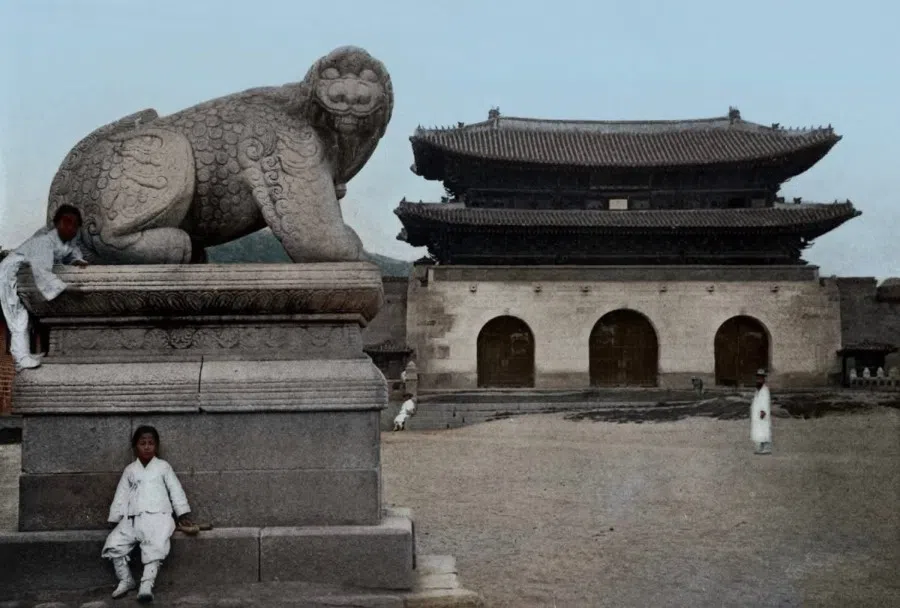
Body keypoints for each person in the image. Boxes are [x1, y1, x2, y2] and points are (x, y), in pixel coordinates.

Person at [102, 426, 193, 602]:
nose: (147, 447)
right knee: (114, 544)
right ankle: (126, 580)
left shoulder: (163, 467)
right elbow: (121, 494)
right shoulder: (130, 470)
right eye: (142, 443)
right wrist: (115, 518)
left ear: (156, 446)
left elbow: (175, 490)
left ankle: (146, 584)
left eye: (151, 443)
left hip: (158, 517)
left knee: (155, 546)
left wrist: (182, 514)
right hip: (133, 519)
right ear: (135, 446)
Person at [0, 205, 88, 371]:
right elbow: (42, 272)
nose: (70, 227)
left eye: (75, 224)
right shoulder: (44, 242)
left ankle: (25, 354)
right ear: (56, 223)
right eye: (66, 222)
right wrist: (67, 288)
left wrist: (77, 260)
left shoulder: (63, 241)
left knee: (25, 318)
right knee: (18, 318)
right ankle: (20, 359)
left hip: (21, 274)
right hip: (7, 275)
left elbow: (69, 252)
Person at [750, 369, 772, 455]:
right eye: (758, 378)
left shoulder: (765, 390)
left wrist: (763, 411)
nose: (759, 380)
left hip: (763, 413)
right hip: (757, 414)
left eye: (761, 378)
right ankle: (760, 447)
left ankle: (767, 447)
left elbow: (765, 401)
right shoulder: (757, 390)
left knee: (764, 429)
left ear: (763, 379)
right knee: (759, 430)